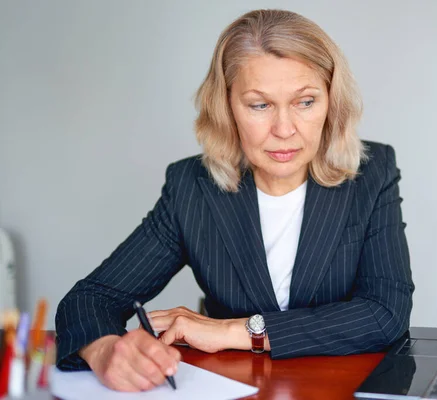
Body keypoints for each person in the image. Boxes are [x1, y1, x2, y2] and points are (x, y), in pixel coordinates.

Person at [55, 9, 415, 392]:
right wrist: (107, 350)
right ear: (227, 107)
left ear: (331, 102)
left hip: (341, 389)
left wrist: (235, 330)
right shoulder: (192, 187)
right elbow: (91, 298)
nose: (284, 129)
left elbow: (384, 313)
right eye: (259, 105)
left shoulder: (371, 174)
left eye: (305, 102)